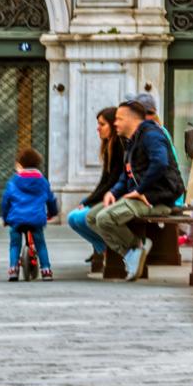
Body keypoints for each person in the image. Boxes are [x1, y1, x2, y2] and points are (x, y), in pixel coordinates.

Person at [86, 96, 184, 280]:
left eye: (119, 119)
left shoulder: (152, 135)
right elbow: (126, 174)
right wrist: (113, 192)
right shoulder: (132, 141)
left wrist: (140, 191)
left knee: (105, 218)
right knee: (91, 217)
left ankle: (136, 247)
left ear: (132, 119)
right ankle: (132, 252)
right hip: (140, 197)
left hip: (158, 198)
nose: (115, 123)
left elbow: (160, 163)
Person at [67, 106, 122, 272]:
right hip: (108, 195)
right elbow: (104, 181)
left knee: (81, 218)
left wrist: (89, 201)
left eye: (102, 124)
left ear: (113, 125)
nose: (98, 128)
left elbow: (112, 182)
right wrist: (87, 200)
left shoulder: (120, 146)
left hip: (117, 196)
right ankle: (103, 249)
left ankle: (112, 249)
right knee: (73, 218)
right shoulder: (108, 147)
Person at [2, 147, 57, 280]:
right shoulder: (43, 181)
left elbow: (6, 200)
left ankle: (13, 269)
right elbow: (50, 199)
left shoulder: (14, 181)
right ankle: (46, 270)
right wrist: (52, 213)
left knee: (15, 243)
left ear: (20, 164)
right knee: (40, 244)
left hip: (16, 219)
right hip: (36, 219)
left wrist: (5, 218)